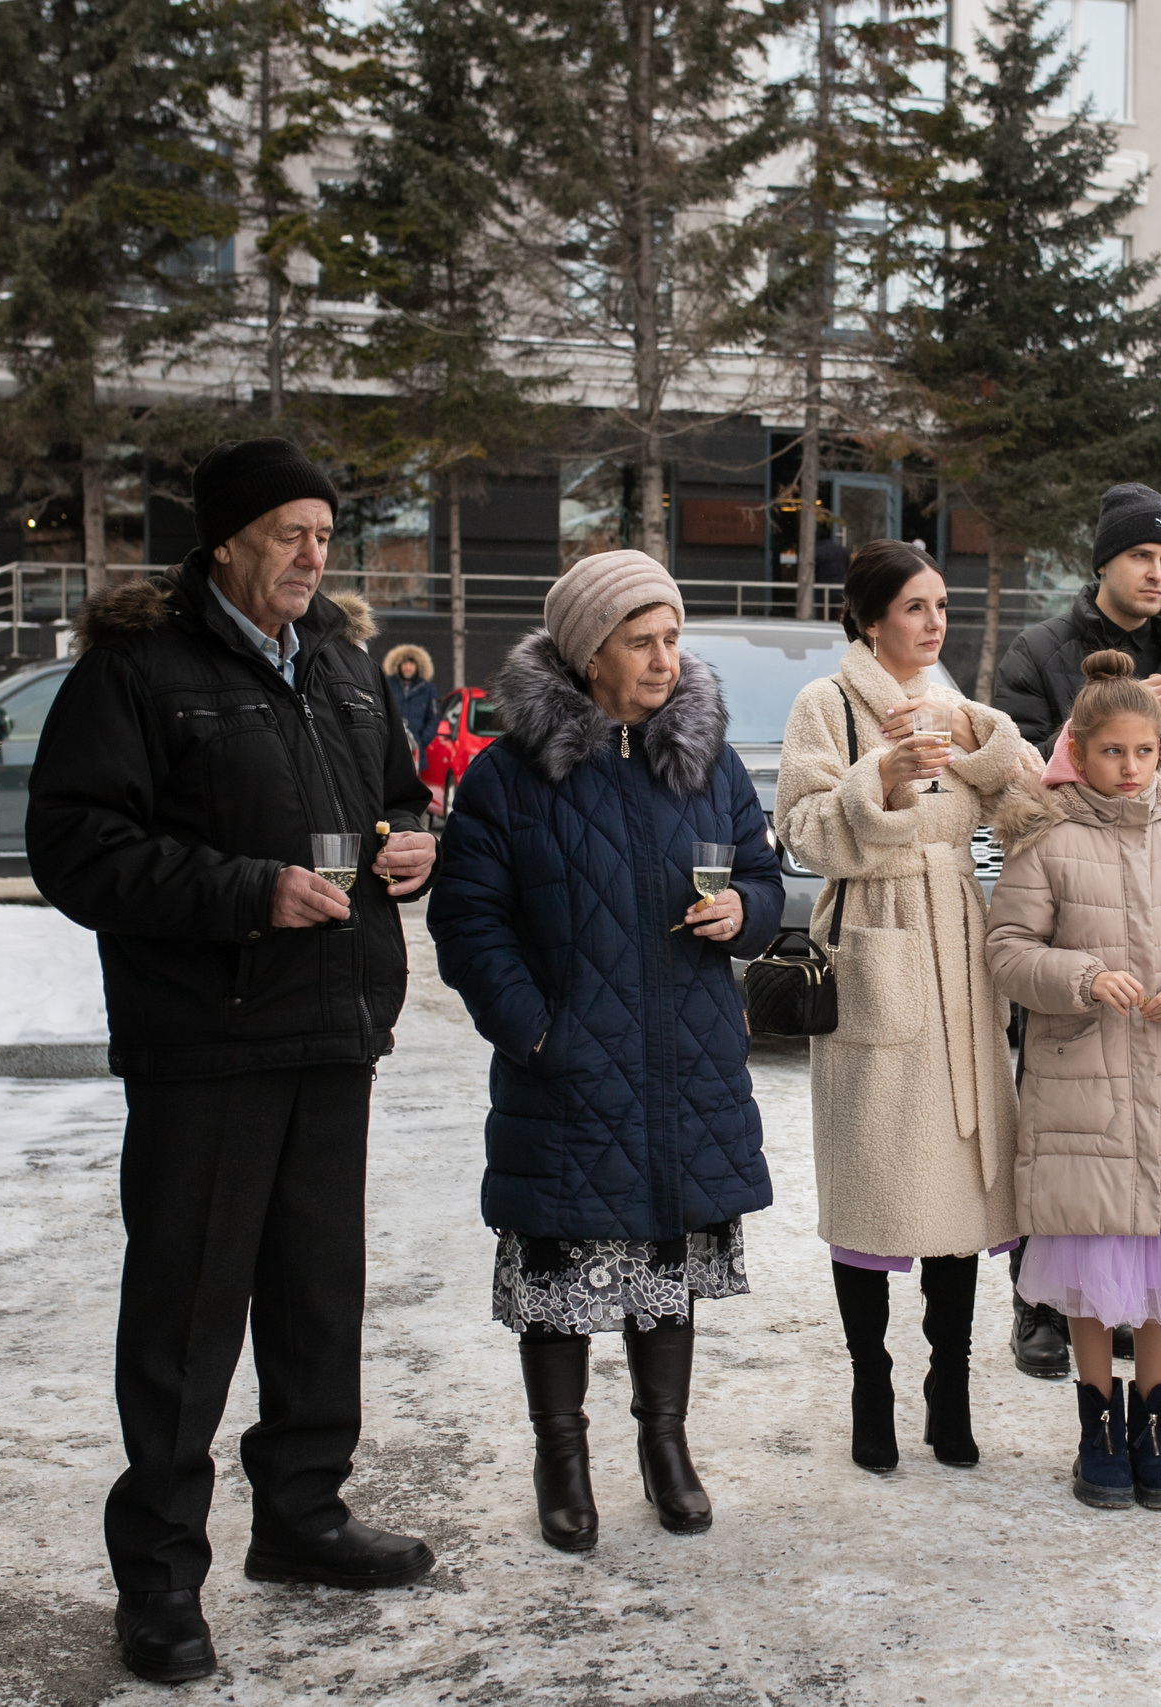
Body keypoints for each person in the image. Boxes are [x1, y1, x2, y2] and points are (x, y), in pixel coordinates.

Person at [27, 438, 439, 1685]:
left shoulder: (347, 667)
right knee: (186, 1316)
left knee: (318, 1293)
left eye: (324, 533)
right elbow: (79, 852)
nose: (313, 556)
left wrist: (416, 845)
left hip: (332, 1025)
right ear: (225, 542)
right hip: (205, 1041)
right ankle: (157, 1572)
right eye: (288, 533)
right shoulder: (136, 675)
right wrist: (248, 891)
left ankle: (302, 1516)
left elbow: (401, 800)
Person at [433, 550, 783, 1551]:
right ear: (589, 654)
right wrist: (534, 1029)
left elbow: (761, 875)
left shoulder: (705, 760)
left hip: (685, 1058)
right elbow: (466, 923)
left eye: (672, 638)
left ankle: (665, 1450)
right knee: (559, 1274)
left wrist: (746, 915)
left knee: (662, 1263)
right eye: (642, 641)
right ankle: (563, 1459)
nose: (665, 659)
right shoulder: (507, 775)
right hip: (568, 1066)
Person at [774, 540, 1038, 1472]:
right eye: (917, 607)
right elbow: (800, 834)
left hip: (956, 942)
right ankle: (870, 1386)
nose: (935, 622)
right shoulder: (828, 705)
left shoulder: (957, 705)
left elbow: (1029, 801)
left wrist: (988, 742)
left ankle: (950, 1385)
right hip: (877, 936)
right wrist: (875, 779)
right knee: (875, 1177)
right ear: (871, 617)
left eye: (940, 605)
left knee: (963, 1185)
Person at [986, 652, 1161, 1510]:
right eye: (1111, 753)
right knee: (1095, 1261)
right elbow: (1008, 950)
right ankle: (1096, 1423)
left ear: (1160, 745)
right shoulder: (1045, 833)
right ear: (1079, 748)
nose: (1130, 768)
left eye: (1143, 751)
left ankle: (1155, 1421)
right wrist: (1081, 976)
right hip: (1081, 1087)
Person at [990, 482, 1161, 1376]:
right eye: (1142, 556)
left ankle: (1136, 1306)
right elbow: (1013, 781)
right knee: (1067, 1126)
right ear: (1104, 562)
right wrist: (1103, 733)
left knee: (1153, 1122)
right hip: (1073, 909)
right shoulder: (1044, 650)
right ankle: (1043, 1306)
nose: (1157, 572)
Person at [384, 643, 439, 748]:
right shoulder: (388, 684)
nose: (407, 668)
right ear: (398, 665)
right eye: (404, 664)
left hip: (416, 750)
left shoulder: (427, 688)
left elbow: (434, 717)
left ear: (418, 666)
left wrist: (421, 740)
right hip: (390, 747)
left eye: (411, 664)